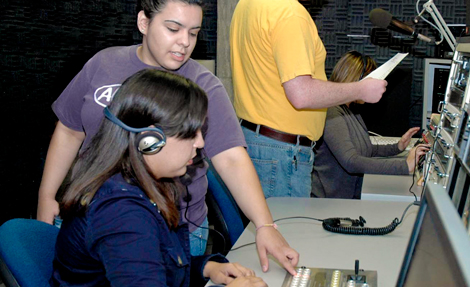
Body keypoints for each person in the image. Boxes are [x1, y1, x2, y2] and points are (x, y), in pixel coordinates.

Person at [37, 0, 298, 275]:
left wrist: (265, 225)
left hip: (171, 228)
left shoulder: (205, 85)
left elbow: (231, 158)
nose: (184, 42)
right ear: (144, 23)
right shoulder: (103, 64)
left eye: (193, 32)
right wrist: (46, 195)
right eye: (173, 28)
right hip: (92, 215)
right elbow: (69, 130)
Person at [52, 69, 266, 287]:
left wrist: (207, 268)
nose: (200, 143)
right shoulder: (120, 211)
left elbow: (155, 266)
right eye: (191, 133)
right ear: (150, 140)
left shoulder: (146, 184)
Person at [230, 0, 388, 198]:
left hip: (255, 141)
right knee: (286, 227)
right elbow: (301, 94)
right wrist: (360, 90)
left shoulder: (247, 5)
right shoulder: (290, 13)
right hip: (282, 153)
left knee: (267, 225)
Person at [311, 51, 430, 199]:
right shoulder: (332, 112)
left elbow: (364, 148)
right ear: (357, 79)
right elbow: (351, 161)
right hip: (331, 202)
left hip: (347, 198)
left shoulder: (351, 109)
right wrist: (405, 166)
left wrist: (397, 147)